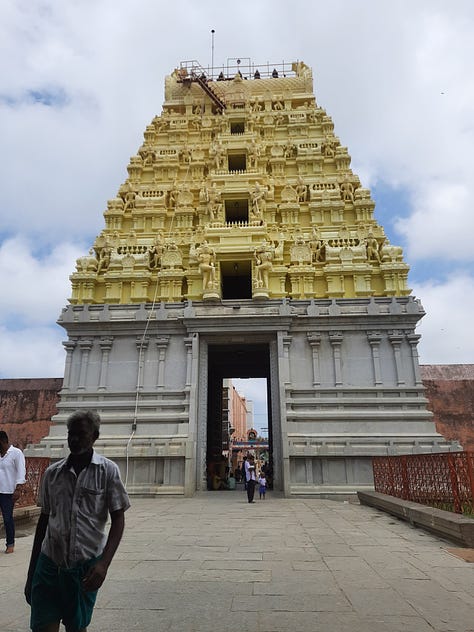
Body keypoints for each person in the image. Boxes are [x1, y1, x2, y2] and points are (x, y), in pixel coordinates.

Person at [24, 410, 130, 632]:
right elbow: (43, 523)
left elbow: (118, 520)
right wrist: (32, 571)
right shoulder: (52, 474)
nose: (74, 439)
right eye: (71, 434)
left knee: (77, 627)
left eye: (81, 434)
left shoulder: (108, 471)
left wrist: (104, 564)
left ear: (95, 436)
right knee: (43, 626)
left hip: (86, 568)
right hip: (49, 563)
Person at [0, 430, 26, 554]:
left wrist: (18, 489)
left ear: (3, 442)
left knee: (7, 518)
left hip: (8, 492)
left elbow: (21, 471)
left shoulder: (16, 453)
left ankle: (10, 543)